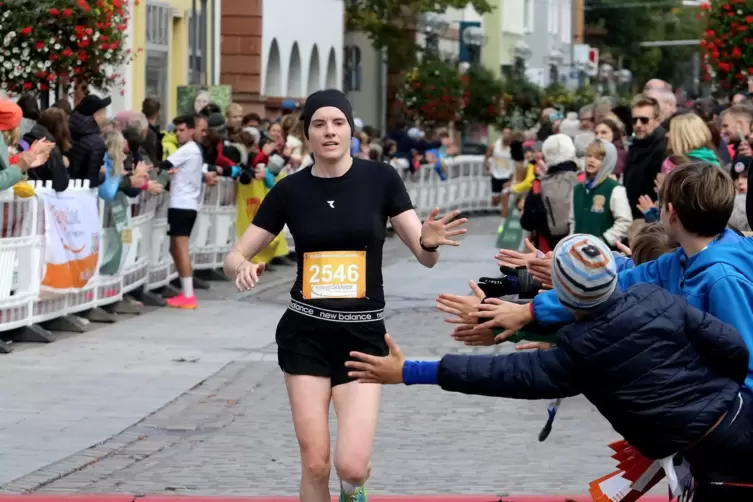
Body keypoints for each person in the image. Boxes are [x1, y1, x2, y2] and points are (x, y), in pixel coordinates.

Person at [347, 234, 753, 501]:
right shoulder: (653, 296)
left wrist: (410, 371)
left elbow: (502, 376)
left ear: (562, 294)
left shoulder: (577, 351)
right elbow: (732, 347)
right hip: (740, 416)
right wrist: (720, 395)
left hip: (709, 453)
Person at [223, 89, 467, 502]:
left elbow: (425, 258)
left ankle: (354, 490)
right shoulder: (289, 191)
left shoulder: (381, 179)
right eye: (319, 124)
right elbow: (235, 255)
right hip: (306, 336)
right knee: (315, 461)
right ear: (307, 133)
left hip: (363, 338)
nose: (330, 132)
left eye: (338, 123)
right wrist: (241, 266)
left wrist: (429, 242)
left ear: (350, 129)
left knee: (351, 466)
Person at [455, 162, 753, 391]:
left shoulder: (721, 279)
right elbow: (613, 283)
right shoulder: (683, 261)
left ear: (670, 213)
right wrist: (539, 297)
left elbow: (746, 363)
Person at [159, 115, 207, 309]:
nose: (178, 134)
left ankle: (188, 294)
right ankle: (185, 291)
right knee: (174, 248)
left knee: (180, 248)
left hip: (183, 204)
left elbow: (164, 165)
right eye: (176, 130)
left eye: (182, 130)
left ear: (191, 131)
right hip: (182, 203)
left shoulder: (188, 149)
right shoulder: (191, 150)